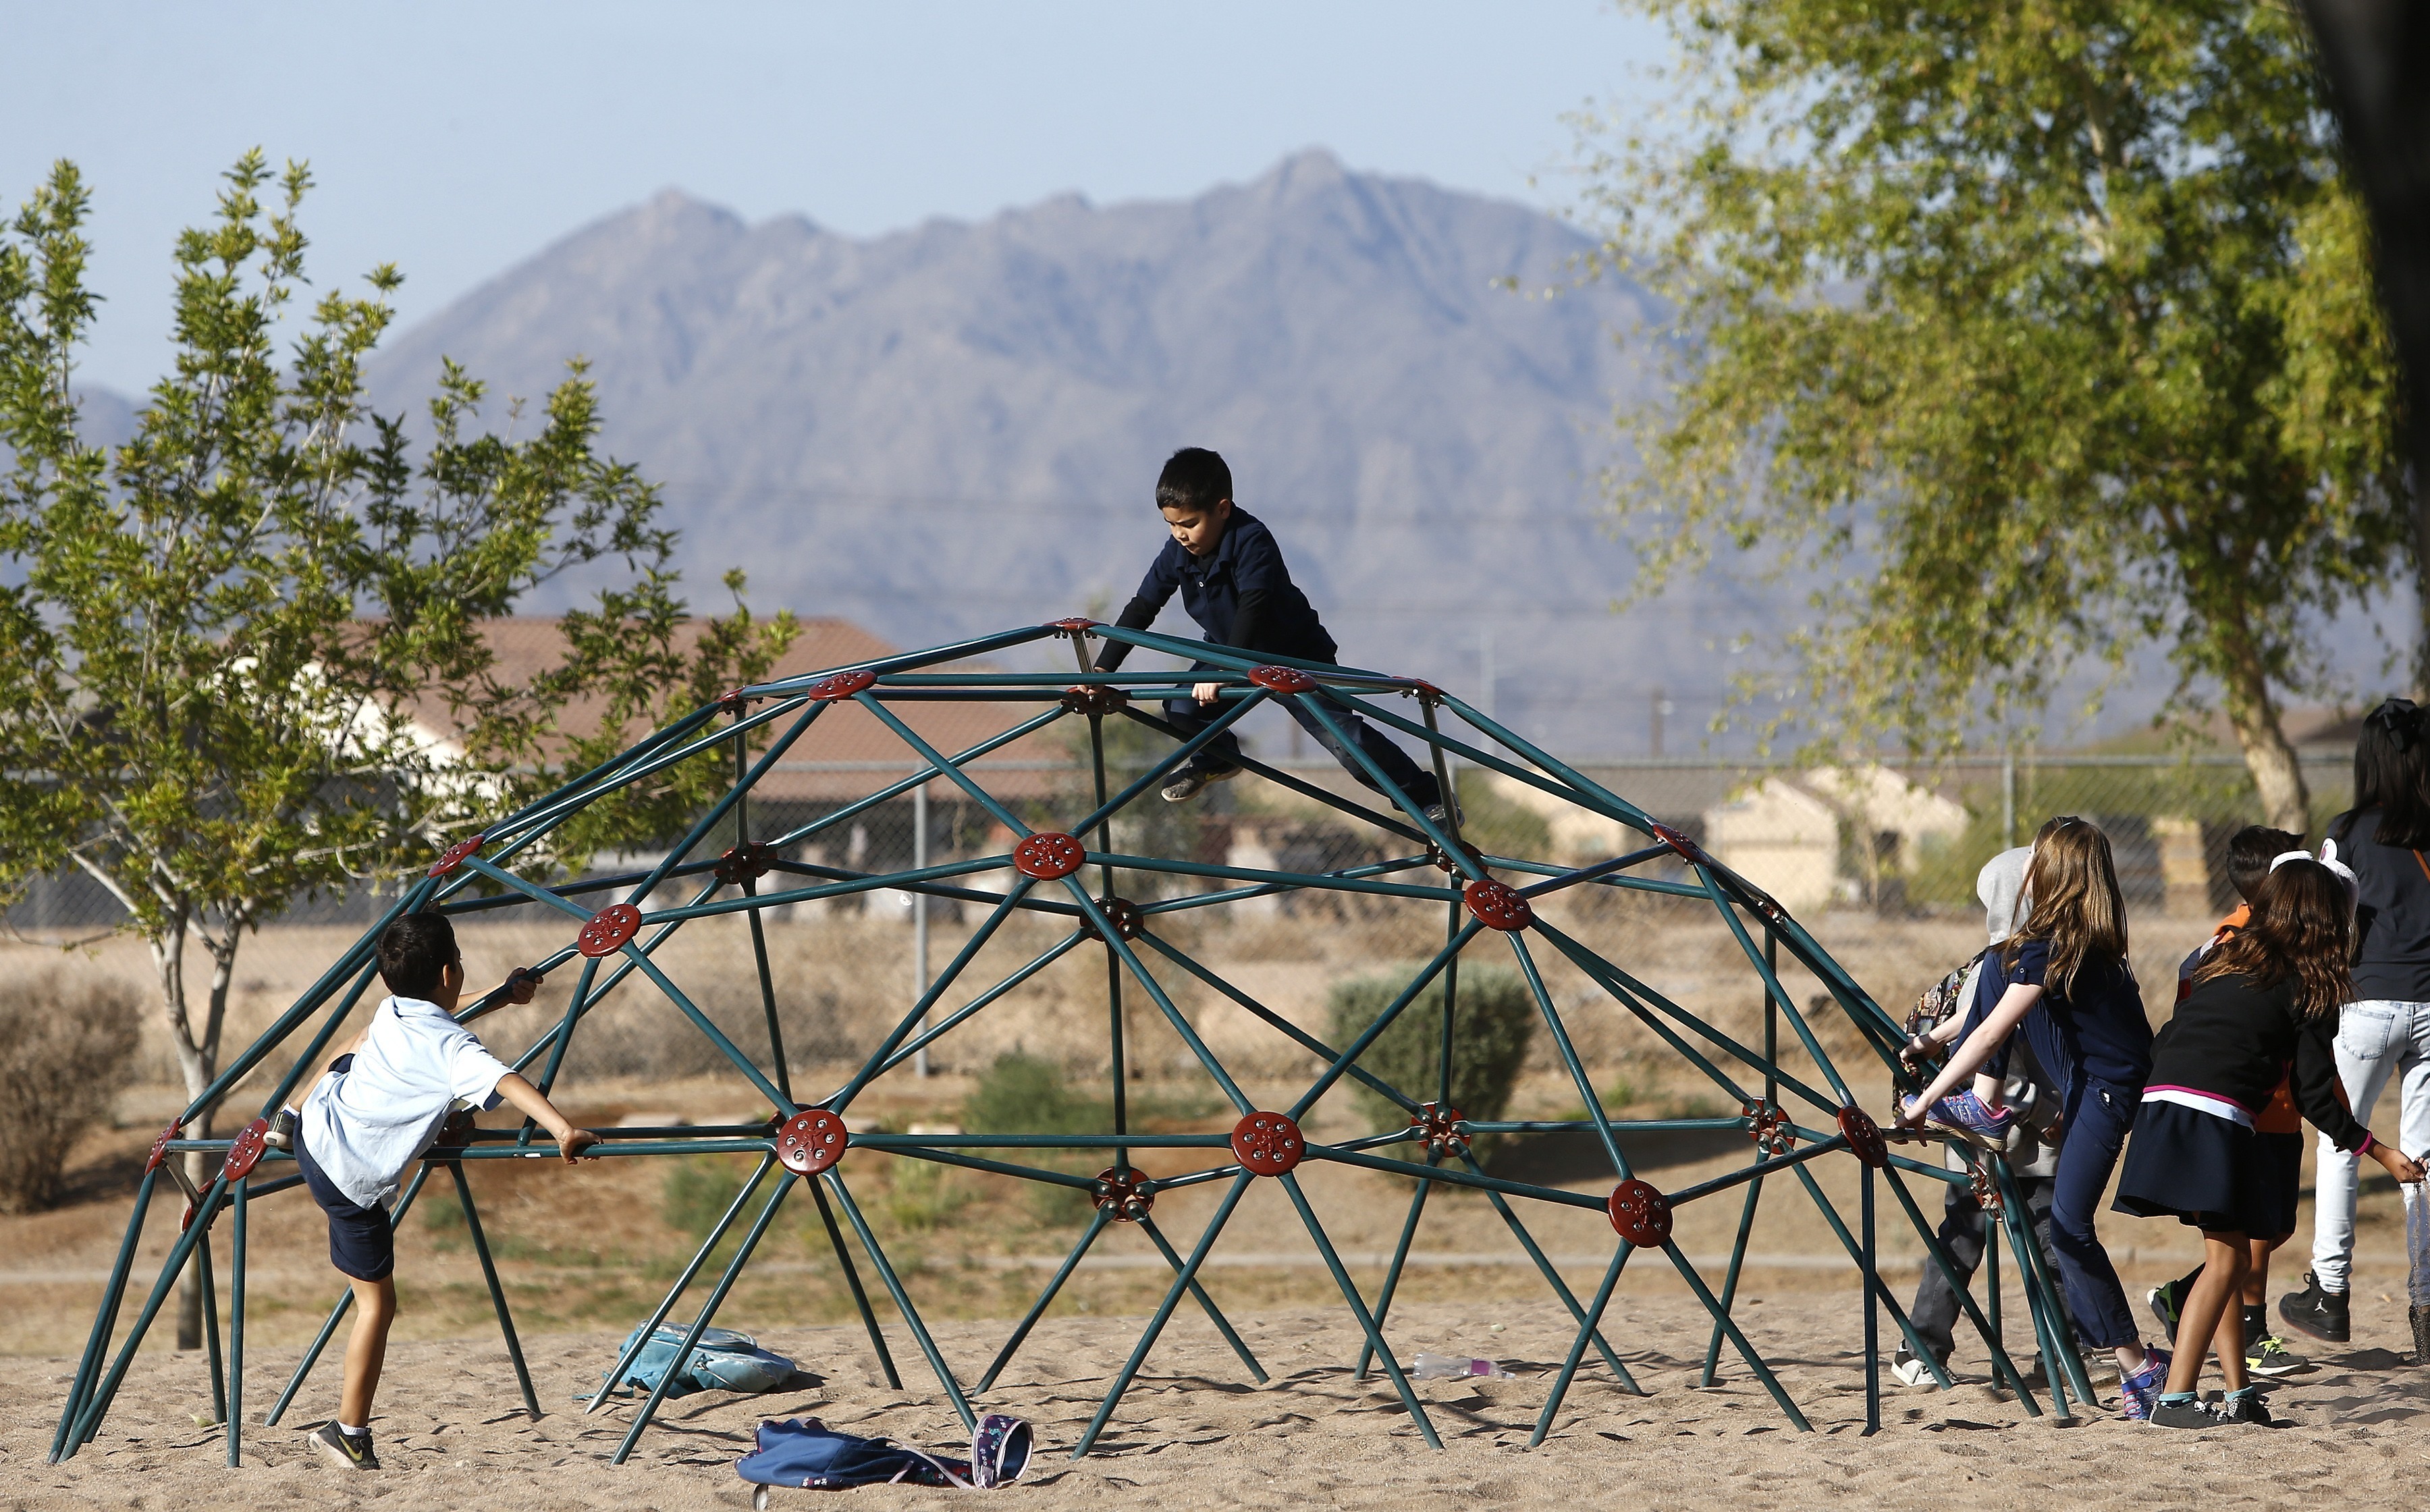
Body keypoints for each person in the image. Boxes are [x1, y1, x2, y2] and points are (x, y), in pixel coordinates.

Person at [2115, 856, 2427, 1427]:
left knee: (2227, 1258)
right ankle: (2176, 1400)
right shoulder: (2310, 985)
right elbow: (2313, 1094)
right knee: (2230, 1259)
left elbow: (2169, 1037)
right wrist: (2379, 1151)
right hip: (2213, 1114)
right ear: (2328, 921)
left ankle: (2238, 1393)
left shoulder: (2224, 959)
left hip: (2162, 1104)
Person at [288, 912, 599, 1470]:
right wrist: (562, 1129)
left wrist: (502, 995)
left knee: (357, 1045)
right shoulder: (454, 1049)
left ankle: (286, 1111)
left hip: (316, 1127)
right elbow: (505, 1079)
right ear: (451, 972)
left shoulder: (392, 1010)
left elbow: (440, 1011)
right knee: (377, 1305)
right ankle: (348, 1433)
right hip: (351, 1178)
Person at [1898, 817, 2169, 1417]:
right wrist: (1935, 1039)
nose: (2025, 865)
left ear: (2052, 872)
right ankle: (1986, 1102)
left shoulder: (2055, 945)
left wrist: (1926, 1099)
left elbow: (1992, 1029)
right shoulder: (2043, 945)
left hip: (2107, 1093)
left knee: (2068, 1228)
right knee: (2000, 963)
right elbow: (1986, 1004)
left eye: (2036, 857)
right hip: (2083, 1083)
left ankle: (2137, 1364)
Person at [1091, 448, 1450, 824]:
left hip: (1292, 656)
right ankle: (1217, 759)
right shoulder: (1177, 552)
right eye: (1171, 524)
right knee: (1182, 709)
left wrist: (1221, 669)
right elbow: (1143, 606)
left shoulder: (1251, 540)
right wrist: (1101, 670)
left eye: (1190, 523)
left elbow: (1254, 606)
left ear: (1222, 509)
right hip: (1229, 649)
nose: (1179, 534)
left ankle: (1429, 797)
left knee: (1347, 743)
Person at [2279, 698, 2430, 1349]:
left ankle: (2330, 1293)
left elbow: (2324, 919)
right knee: (2424, 1162)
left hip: (2367, 1005)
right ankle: (2427, 1308)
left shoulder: (2347, 831)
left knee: (2343, 1139)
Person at [1890, 845, 2067, 1388]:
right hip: (2000, 1134)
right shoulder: (1997, 969)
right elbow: (1988, 1063)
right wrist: (2044, 1111)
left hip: (2031, 1142)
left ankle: (2066, 1351)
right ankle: (1922, 1347)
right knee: (1969, 1234)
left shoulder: (2044, 963)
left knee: (2050, 1241)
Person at [2144, 825, 2308, 1378]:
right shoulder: (2228, 947)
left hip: (2281, 1110)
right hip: (2241, 1111)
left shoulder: (2290, 942)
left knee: (2272, 1230)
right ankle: (2243, 1339)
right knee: (2243, 1241)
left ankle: (2187, 1304)